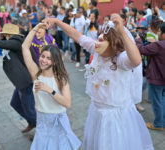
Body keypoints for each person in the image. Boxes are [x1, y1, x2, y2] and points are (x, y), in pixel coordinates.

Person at [43, 13, 154, 150]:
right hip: (97, 112)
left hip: (116, 118)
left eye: (102, 41)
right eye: (98, 39)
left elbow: (136, 60)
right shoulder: (96, 50)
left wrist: (122, 32)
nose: (97, 42)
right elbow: (76, 35)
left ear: (113, 44)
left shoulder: (120, 60)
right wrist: (56, 21)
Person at [22, 23, 81, 150]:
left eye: (48, 58)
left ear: (54, 61)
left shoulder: (60, 78)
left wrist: (49, 90)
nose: (44, 60)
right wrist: (35, 28)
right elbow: (25, 47)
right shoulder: (35, 73)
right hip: (42, 122)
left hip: (59, 122)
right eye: (43, 56)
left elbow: (67, 103)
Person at [0, 23, 37, 134]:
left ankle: (40, 129)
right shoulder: (12, 42)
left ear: (8, 34)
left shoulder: (17, 41)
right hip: (20, 82)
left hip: (26, 82)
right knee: (15, 103)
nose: (1, 36)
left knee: (29, 109)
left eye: (3, 34)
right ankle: (32, 122)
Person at [136, 22, 165, 131]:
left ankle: (158, 124)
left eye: (159, 32)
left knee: (157, 101)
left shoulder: (158, 45)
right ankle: (163, 121)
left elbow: (142, 49)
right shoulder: (159, 44)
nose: (158, 33)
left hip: (156, 78)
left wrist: (139, 39)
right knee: (163, 100)